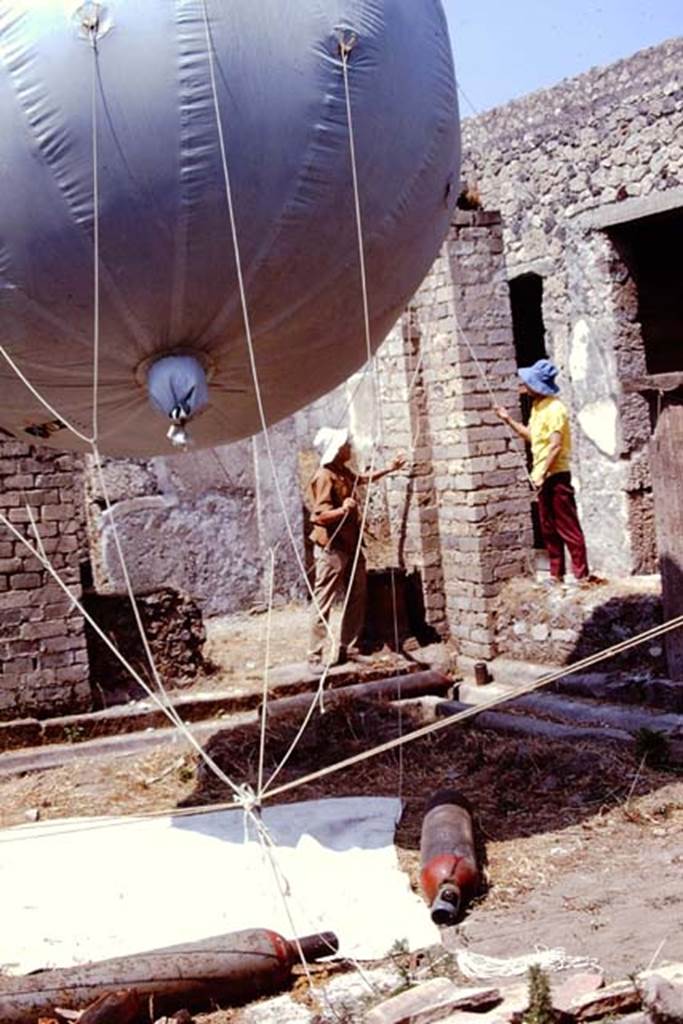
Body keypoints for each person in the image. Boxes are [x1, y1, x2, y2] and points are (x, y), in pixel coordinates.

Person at [494, 359, 602, 588]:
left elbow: (555, 445)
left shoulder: (555, 409)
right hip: (542, 475)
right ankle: (556, 575)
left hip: (556, 475)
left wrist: (542, 473)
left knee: (568, 526)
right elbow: (532, 437)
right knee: (548, 528)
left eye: (527, 383)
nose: (523, 386)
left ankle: (581, 575)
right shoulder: (538, 407)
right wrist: (508, 420)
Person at [307, 427, 405, 670]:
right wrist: (343, 510)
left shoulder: (342, 471)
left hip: (351, 545)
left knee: (356, 595)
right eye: (345, 445)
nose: (349, 447)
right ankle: (314, 656)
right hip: (332, 548)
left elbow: (361, 479)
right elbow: (319, 516)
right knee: (324, 601)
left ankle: (349, 647)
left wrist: (389, 469)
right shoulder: (324, 476)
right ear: (336, 451)